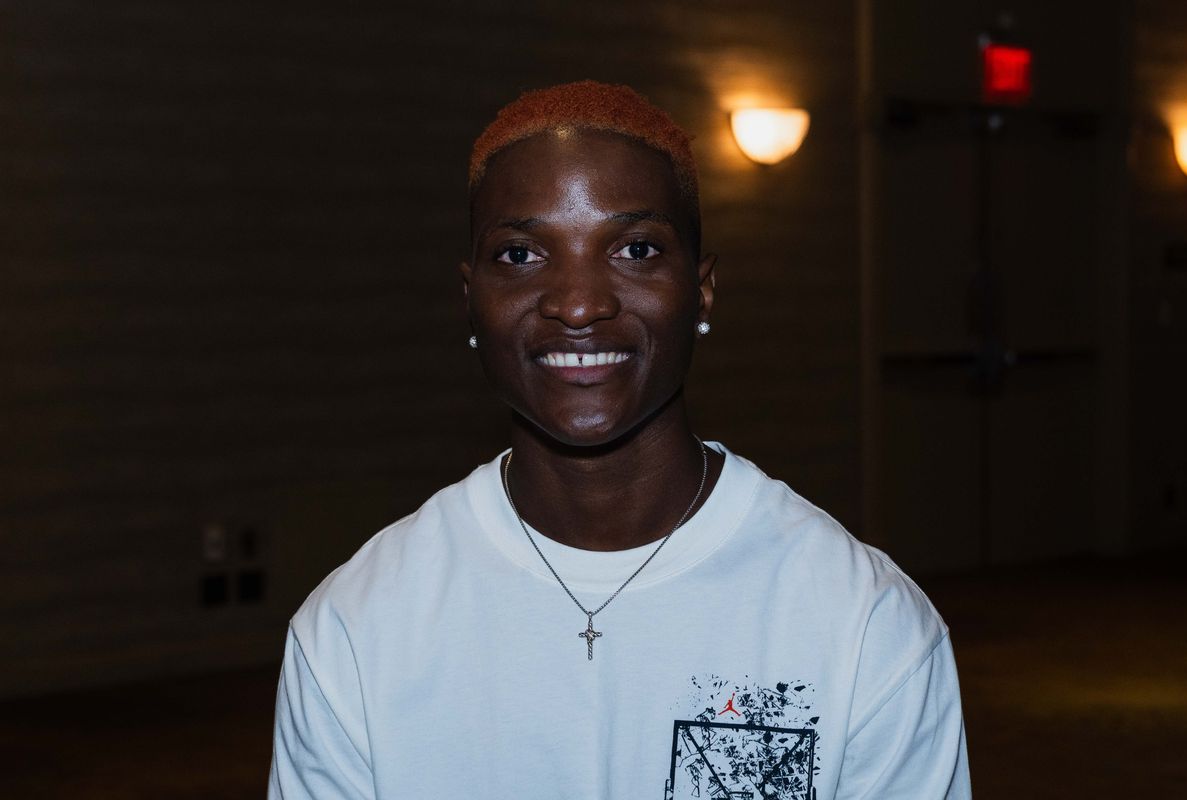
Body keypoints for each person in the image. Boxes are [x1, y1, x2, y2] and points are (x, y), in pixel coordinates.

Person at [269, 81, 971, 799]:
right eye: (519, 255)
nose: (578, 303)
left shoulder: (864, 625)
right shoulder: (356, 630)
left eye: (635, 248)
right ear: (470, 297)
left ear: (701, 291)